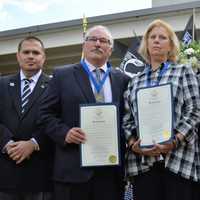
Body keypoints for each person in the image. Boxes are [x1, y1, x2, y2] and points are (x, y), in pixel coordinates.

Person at [38, 25, 130, 200]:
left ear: (110, 49)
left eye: (104, 41)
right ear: (84, 45)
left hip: (110, 173)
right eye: (92, 39)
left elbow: (128, 119)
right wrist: (64, 133)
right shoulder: (62, 75)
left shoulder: (123, 80)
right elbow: (44, 114)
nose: (97, 43)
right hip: (73, 172)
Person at [123, 19, 200, 200]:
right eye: (152, 37)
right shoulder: (135, 81)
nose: (156, 40)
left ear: (171, 45)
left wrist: (174, 141)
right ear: (146, 44)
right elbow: (127, 119)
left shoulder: (183, 71)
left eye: (162, 37)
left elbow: (195, 110)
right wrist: (134, 144)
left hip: (178, 160)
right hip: (144, 164)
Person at [0, 36, 53, 200]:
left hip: (40, 176)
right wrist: (7, 144)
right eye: (26, 52)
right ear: (18, 56)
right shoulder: (1, 84)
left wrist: (33, 143)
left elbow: (57, 120)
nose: (31, 56)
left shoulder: (55, 85)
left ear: (43, 58)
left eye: (36, 52)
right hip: (5, 174)